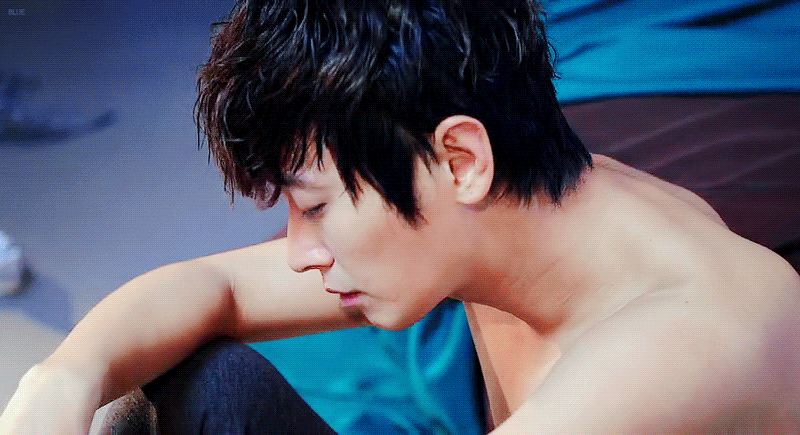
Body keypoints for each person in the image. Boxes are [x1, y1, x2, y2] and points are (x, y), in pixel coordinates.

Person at [2, 0, 799, 433]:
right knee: (190, 386)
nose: (298, 253)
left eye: (316, 207)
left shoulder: (677, 346)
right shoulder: (504, 216)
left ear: (460, 159)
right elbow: (216, 285)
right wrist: (62, 377)